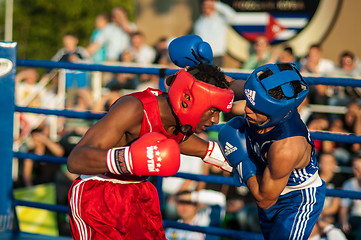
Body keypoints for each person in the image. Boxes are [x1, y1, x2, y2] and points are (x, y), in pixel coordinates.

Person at [67, 36, 235, 239]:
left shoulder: (178, 119)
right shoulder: (133, 108)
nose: (216, 120)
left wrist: (225, 158)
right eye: (212, 111)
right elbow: (76, 160)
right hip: (98, 194)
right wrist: (128, 159)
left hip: (139, 192)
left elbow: (180, 139)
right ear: (189, 100)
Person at [218, 63, 326, 239]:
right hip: (267, 176)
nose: (247, 109)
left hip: (295, 199)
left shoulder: (286, 147)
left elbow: (264, 199)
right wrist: (202, 72)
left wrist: (242, 161)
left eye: (255, 108)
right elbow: (228, 85)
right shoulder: (261, 100)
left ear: (275, 113)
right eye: (248, 101)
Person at [193, 0, 236, 67]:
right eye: (204, 5)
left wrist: (216, 5)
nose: (206, 7)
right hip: (202, 55)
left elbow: (233, 16)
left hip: (216, 55)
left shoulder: (220, 18)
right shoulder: (199, 22)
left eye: (208, 5)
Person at [339, 154, 361, 240]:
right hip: (354, 218)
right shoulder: (348, 183)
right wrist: (344, 223)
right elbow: (344, 208)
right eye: (355, 167)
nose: (358, 170)